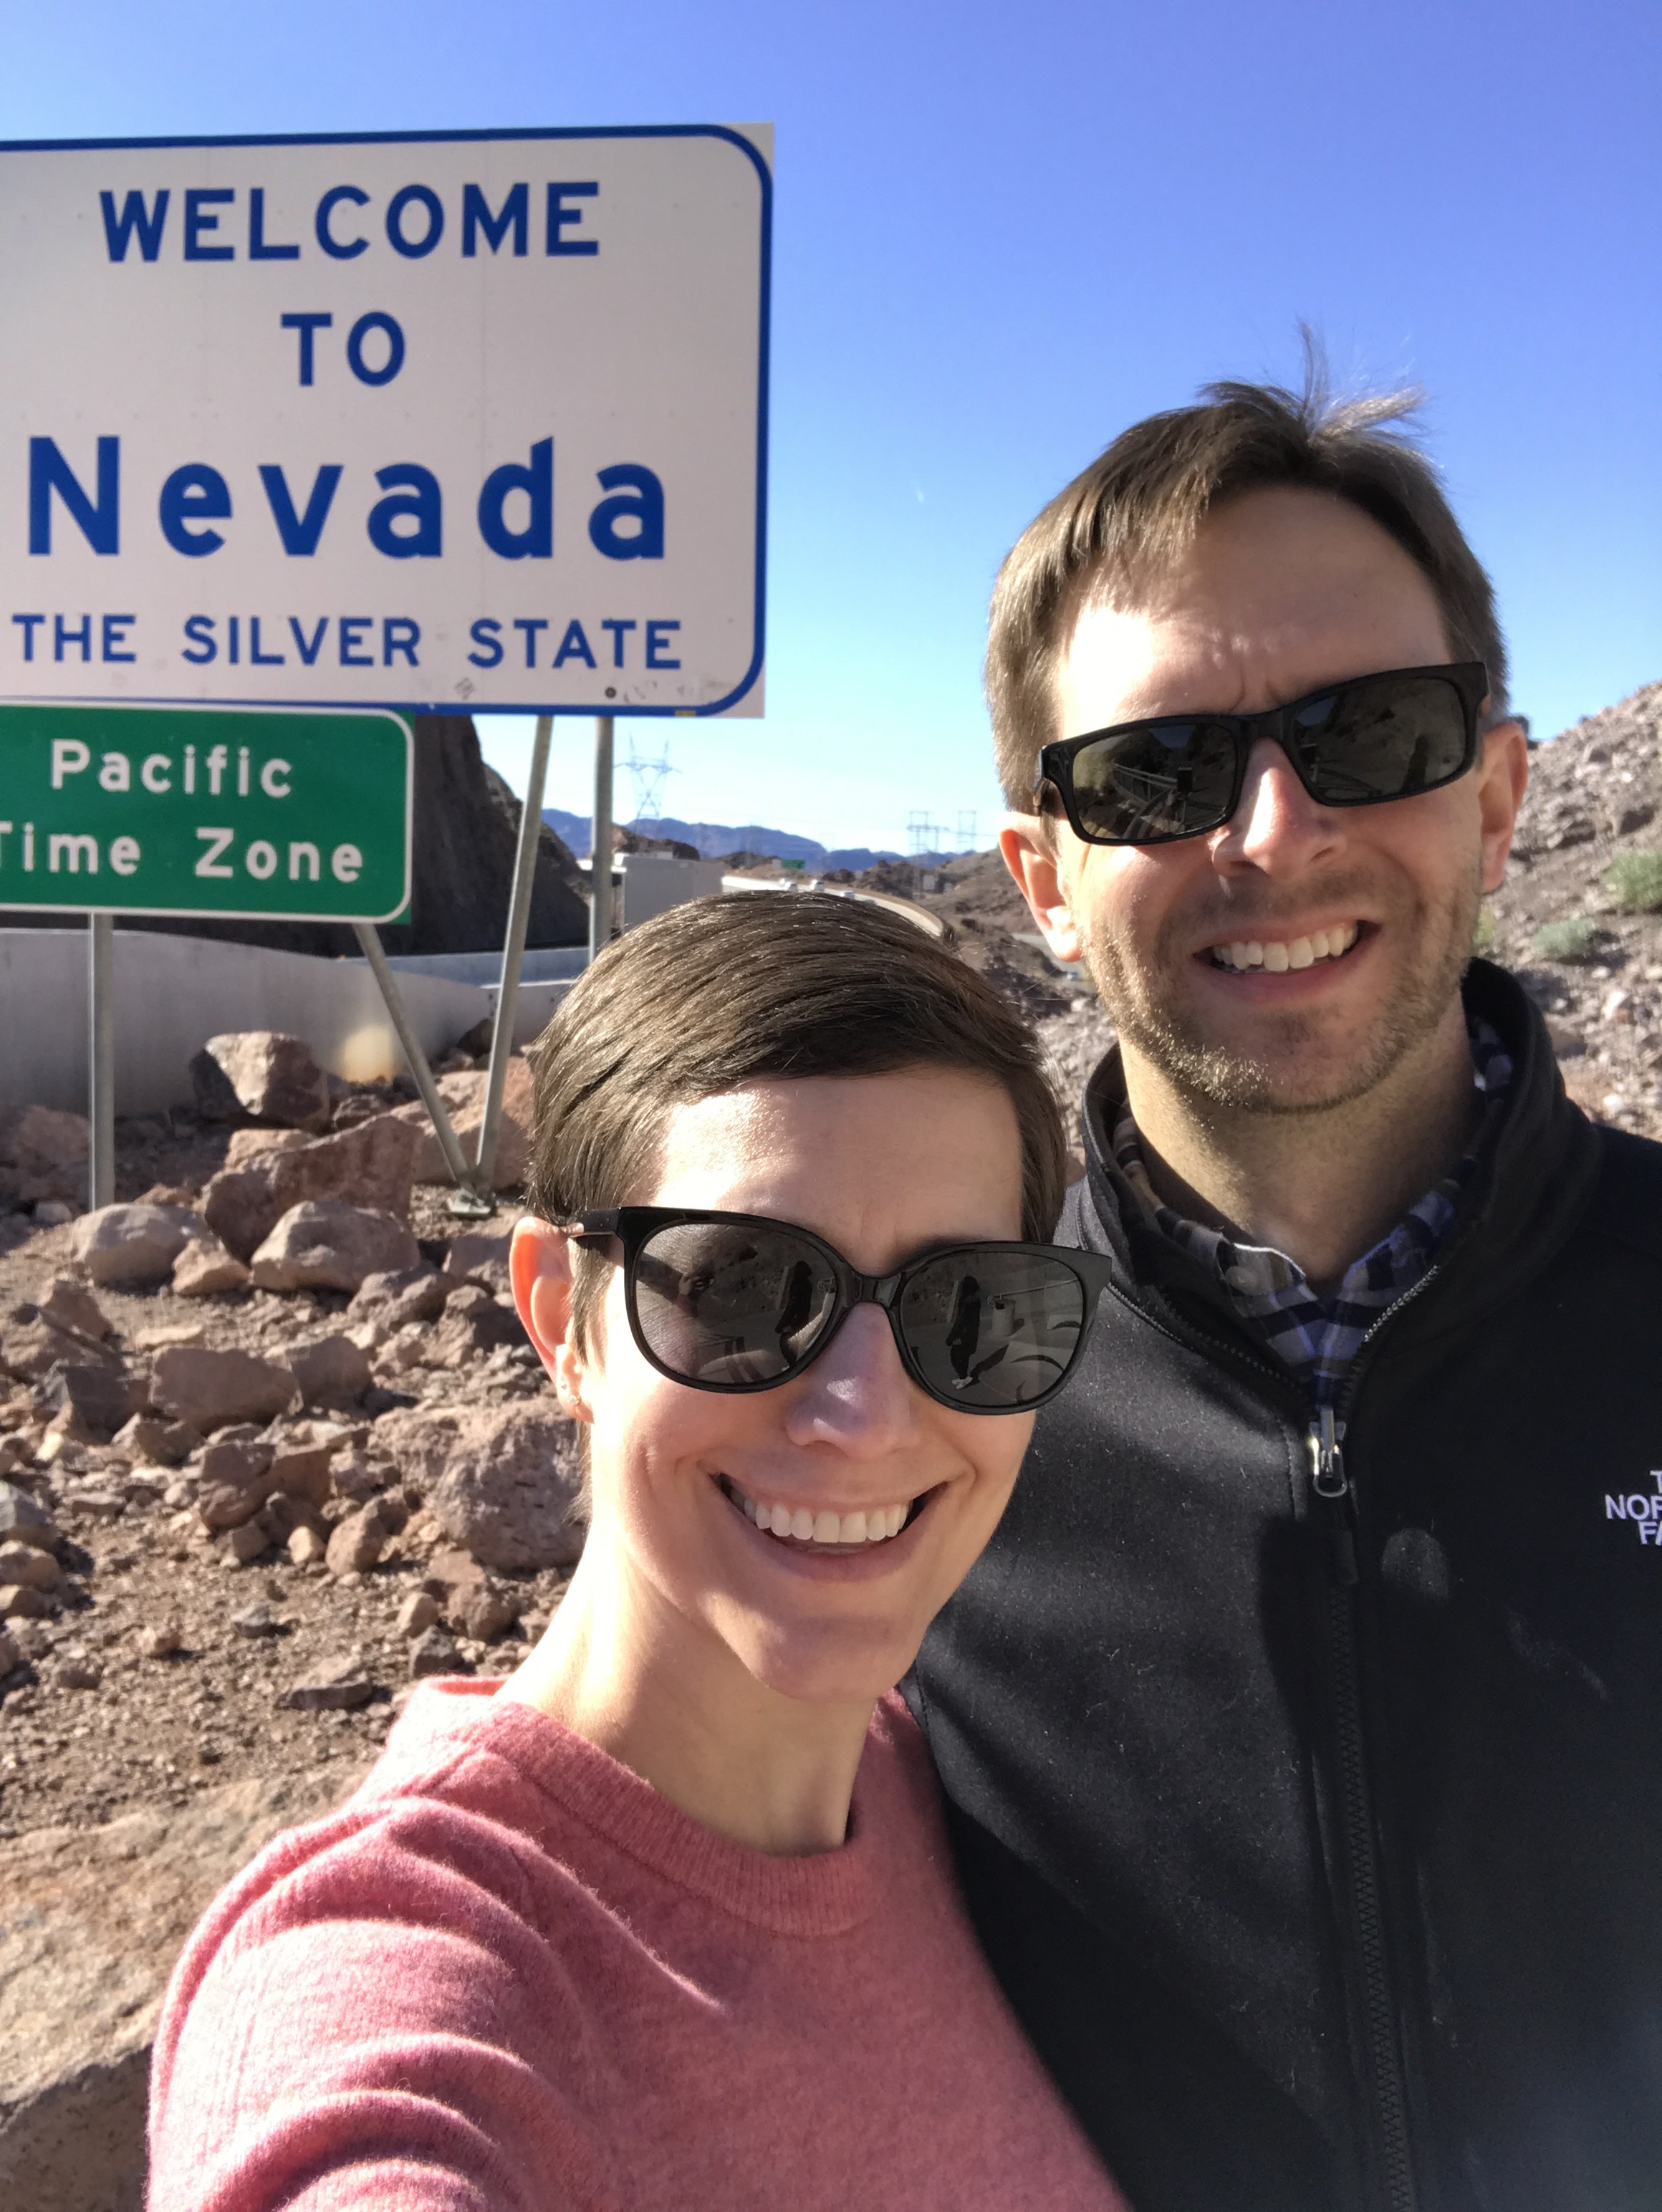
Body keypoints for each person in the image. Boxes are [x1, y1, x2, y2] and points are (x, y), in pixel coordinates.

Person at [911, 370, 1662, 2212]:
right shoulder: (908, 1409)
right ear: (1042, 880)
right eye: (1155, 772)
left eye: (1373, 732)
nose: (1271, 829)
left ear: (1495, 800)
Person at [146, 892, 1130, 2212]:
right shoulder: (389, 1970)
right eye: (743, 1290)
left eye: (970, 1308)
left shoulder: (973, 1804)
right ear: (564, 1316)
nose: (865, 1417)